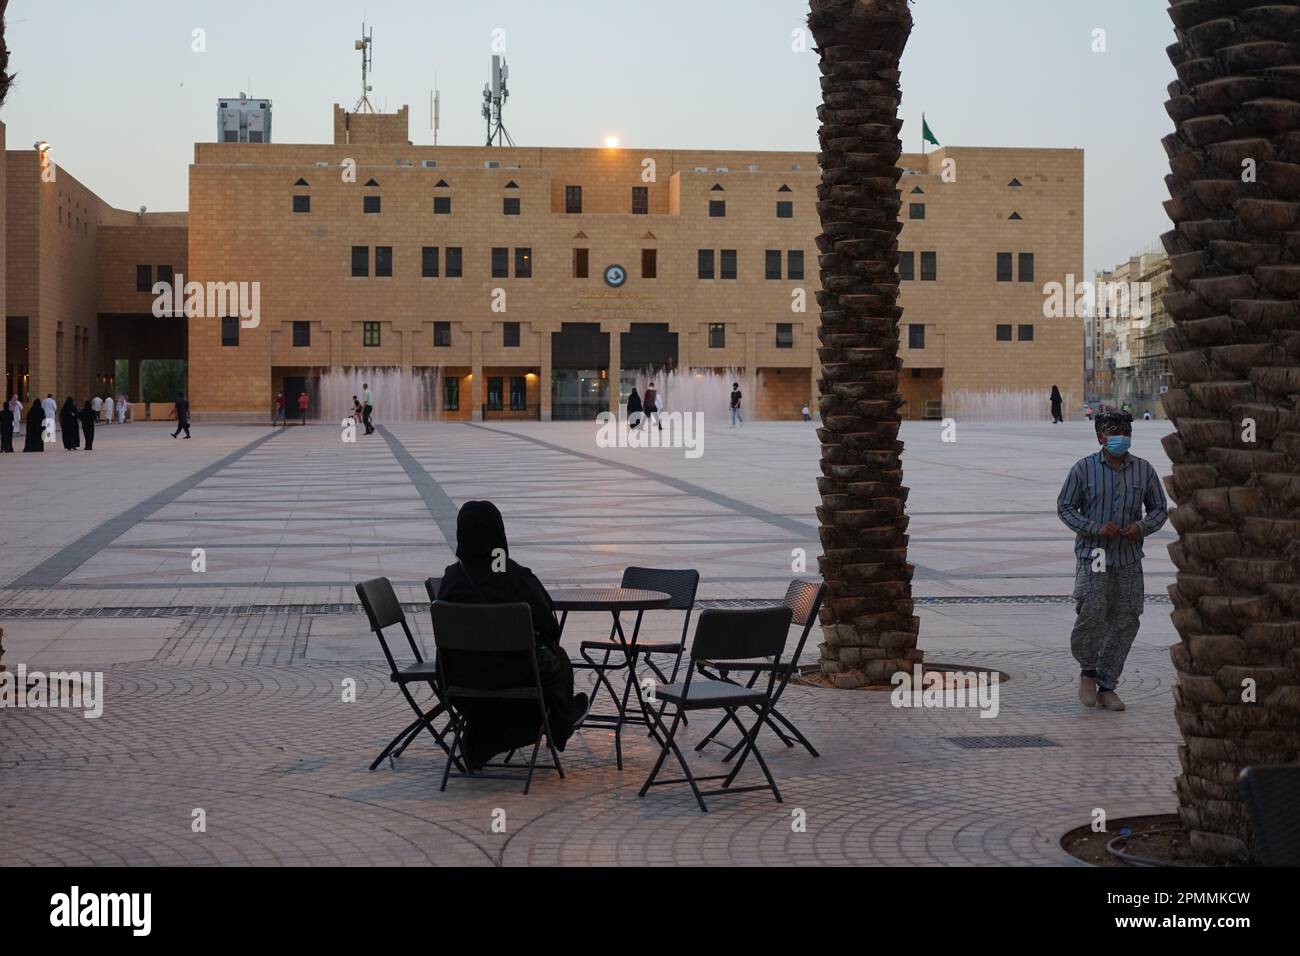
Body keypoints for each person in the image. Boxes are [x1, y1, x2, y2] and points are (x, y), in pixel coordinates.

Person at [435, 500, 588, 767]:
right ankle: (558, 724)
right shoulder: (515, 576)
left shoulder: (451, 578)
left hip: (461, 682)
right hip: (519, 681)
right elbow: (551, 627)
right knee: (559, 659)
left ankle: (487, 734)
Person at [1057, 411, 1168, 713]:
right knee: (1091, 609)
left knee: (1126, 618)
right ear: (1100, 437)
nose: (1122, 437)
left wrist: (1141, 527)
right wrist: (1094, 527)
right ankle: (1088, 670)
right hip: (1094, 554)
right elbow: (1065, 508)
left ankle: (1108, 685)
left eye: (1126, 432)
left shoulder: (1143, 471)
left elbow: (1159, 508)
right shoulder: (1083, 469)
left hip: (1129, 557)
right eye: (1114, 432)